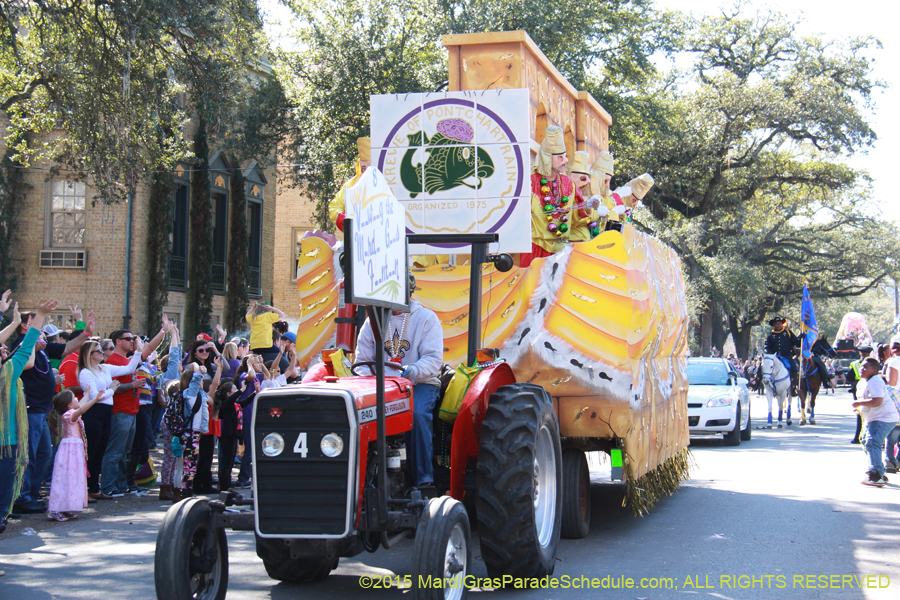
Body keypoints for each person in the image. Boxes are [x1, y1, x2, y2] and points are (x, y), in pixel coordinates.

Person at [355, 271, 443, 487]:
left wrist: (411, 371)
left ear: (408, 292)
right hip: (382, 387)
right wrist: (370, 379)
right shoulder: (372, 322)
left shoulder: (426, 318)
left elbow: (433, 360)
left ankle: (424, 478)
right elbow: (363, 361)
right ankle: (363, 480)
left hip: (419, 384)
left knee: (419, 414)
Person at [11, 304, 93, 514]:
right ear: (23, 325)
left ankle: (32, 493)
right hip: (30, 409)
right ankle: (22, 497)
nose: (40, 330)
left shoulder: (41, 346)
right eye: (34, 322)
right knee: (28, 455)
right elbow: (25, 365)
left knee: (44, 454)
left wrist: (86, 333)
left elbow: (67, 348)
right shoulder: (23, 344)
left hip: (42, 409)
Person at [1, 297, 58, 534]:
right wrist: (40, 315)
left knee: (3, 500)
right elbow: (26, 347)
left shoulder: (8, 372)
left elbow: (26, 347)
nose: (4, 347)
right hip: (7, 445)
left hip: (11, 444)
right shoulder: (7, 374)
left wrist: (14, 321)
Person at [98, 327, 165, 498]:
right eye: (128, 339)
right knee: (115, 451)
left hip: (131, 410)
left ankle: (121, 485)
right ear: (118, 342)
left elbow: (149, 349)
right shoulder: (112, 361)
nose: (132, 341)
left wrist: (164, 330)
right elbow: (111, 387)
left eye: (133, 339)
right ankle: (108, 486)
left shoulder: (128, 360)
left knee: (125, 451)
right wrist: (132, 386)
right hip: (120, 411)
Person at [519, 126, 594, 267]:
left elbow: (578, 219)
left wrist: (590, 207)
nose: (565, 160)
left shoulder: (568, 183)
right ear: (547, 158)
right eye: (560, 157)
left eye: (565, 156)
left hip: (562, 251)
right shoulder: (529, 182)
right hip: (535, 250)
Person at [46, 387, 112, 521]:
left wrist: (87, 394)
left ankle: (65, 507)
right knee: (65, 478)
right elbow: (81, 409)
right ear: (69, 405)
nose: (78, 399)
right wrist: (94, 399)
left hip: (75, 450)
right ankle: (55, 509)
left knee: (72, 478)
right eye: (74, 398)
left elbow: (80, 405)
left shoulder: (71, 411)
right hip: (70, 450)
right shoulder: (68, 415)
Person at [853, 357, 900, 487]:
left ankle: (876, 474)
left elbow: (877, 401)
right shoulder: (863, 381)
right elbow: (865, 398)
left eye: (865, 367)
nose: (862, 369)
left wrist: (859, 403)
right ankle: (877, 469)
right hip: (873, 418)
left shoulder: (875, 381)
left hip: (884, 417)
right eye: (862, 366)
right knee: (864, 440)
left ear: (874, 371)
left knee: (873, 441)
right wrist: (859, 407)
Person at [765, 316, 800, 396]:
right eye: (776, 324)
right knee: (766, 367)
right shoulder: (771, 334)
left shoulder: (787, 332)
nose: (778, 325)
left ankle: (794, 386)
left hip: (787, 355)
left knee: (794, 367)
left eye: (780, 323)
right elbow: (767, 345)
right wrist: (767, 350)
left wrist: (800, 338)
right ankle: (764, 384)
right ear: (774, 325)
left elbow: (795, 341)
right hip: (775, 356)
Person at [882, 336, 900, 473]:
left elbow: (892, 383)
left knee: (892, 433)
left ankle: (890, 461)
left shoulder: (893, 362)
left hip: (896, 399)